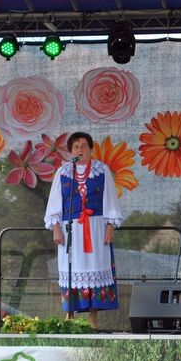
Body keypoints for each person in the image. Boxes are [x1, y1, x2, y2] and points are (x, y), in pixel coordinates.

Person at [44, 132, 122, 330]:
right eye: (76, 146)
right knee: (71, 269)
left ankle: (93, 318)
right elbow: (54, 203)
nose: (80, 150)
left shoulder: (101, 170)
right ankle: (69, 315)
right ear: (71, 151)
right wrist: (56, 229)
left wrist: (110, 226)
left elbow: (110, 199)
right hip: (70, 229)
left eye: (84, 146)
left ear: (90, 149)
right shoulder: (63, 172)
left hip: (96, 228)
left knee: (96, 266)